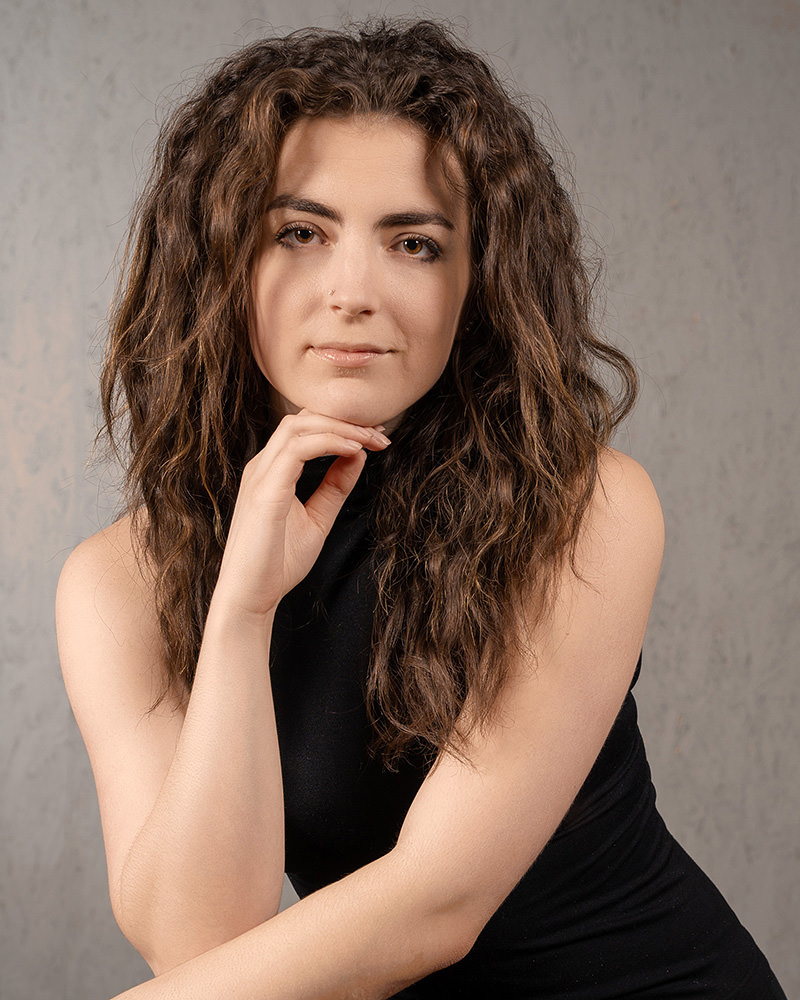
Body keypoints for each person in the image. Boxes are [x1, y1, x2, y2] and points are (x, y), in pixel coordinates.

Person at [56, 18, 786, 1000]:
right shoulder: (116, 582)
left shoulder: (584, 504)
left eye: (413, 242)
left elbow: (436, 903)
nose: (353, 291)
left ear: (472, 283)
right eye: (300, 232)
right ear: (222, 262)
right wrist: (240, 611)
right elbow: (196, 943)